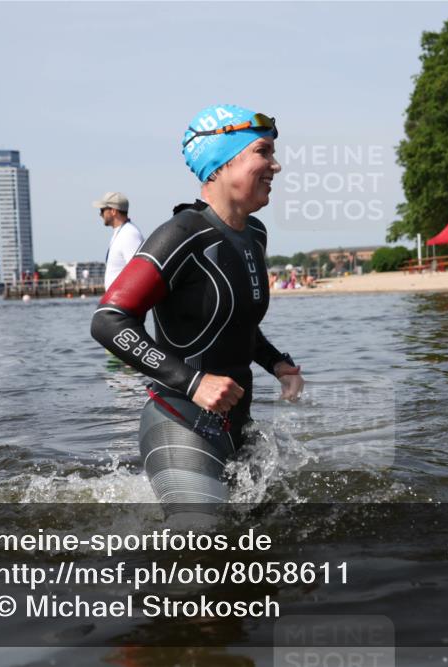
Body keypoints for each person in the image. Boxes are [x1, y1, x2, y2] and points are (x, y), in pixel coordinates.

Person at [90, 104, 303, 509]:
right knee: (204, 545)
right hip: (179, 422)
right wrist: (192, 382)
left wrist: (277, 363)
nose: (276, 166)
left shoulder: (254, 235)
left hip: (235, 427)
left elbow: (230, 321)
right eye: (263, 151)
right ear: (221, 163)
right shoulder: (181, 234)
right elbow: (108, 321)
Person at [94, 192, 145, 290]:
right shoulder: (121, 232)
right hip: (117, 301)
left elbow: (139, 274)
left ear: (113, 211)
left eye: (102, 210)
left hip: (124, 303)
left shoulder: (129, 234)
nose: (100, 214)